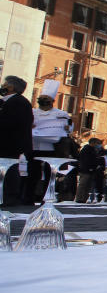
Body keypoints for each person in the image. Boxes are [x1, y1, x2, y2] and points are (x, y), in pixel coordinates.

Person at [27, 79, 71, 204]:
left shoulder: (61, 114)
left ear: (52, 101)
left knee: (49, 174)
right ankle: (28, 197)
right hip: (34, 147)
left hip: (51, 149)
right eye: (42, 97)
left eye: (46, 97)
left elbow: (68, 127)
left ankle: (46, 198)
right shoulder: (32, 112)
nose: (43, 99)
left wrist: (68, 128)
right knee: (32, 174)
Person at [0, 75, 33, 206]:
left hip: (10, 143)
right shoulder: (7, 101)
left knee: (9, 169)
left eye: (5, 84)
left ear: (11, 87)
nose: (2, 86)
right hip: (8, 142)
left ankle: (10, 198)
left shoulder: (18, 102)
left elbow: (13, 123)